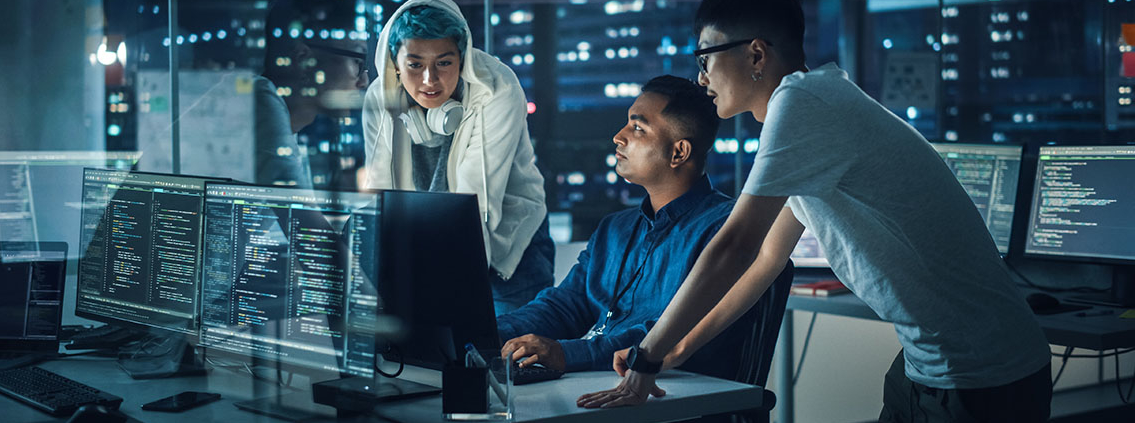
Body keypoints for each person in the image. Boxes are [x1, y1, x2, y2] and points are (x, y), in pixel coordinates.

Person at [578, 1, 1052, 421]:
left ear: (756, 55)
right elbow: (767, 258)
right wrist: (676, 349)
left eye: (706, 57)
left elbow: (735, 246)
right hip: (928, 364)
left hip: (983, 374)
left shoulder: (801, 105)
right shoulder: (816, 102)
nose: (701, 77)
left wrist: (646, 356)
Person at [498, 75, 789, 379]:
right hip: (599, 382)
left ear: (679, 152)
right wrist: (492, 333)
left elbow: (672, 332)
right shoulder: (615, 229)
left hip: (675, 396)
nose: (618, 137)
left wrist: (566, 353)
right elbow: (565, 306)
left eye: (638, 128)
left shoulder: (728, 230)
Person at [362, 0, 553, 314]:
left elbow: (476, 205)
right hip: (428, 244)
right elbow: (384, 196)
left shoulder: (497, 90)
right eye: (414, 64)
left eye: (444, 63)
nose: (429, 80)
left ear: (462, 59)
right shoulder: (379, 100)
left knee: (504, 356)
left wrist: (446, 290)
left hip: (510, 246)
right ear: (395, 64)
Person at [255, 0, 370, 189]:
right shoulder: (264, 103)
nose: (363, 82)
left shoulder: (289, 127)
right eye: (357, 61)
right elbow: (302, 216)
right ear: (304, 61)